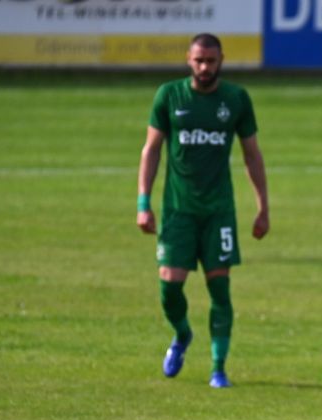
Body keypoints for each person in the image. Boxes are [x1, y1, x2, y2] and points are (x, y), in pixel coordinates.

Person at [137, 33, 270, 388]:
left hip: (218, 213)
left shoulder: (236, 99)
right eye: (198, 60)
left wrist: (262, 208)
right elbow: (151, 150)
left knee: (220, 291)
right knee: (169, 289)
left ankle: (217, 368)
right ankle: (182, 335)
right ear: (188, 59)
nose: (204, 67)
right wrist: (143, 203)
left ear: (221, 60)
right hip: (178, 211)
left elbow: (252, 154)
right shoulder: (169, 95)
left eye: (210, 61)